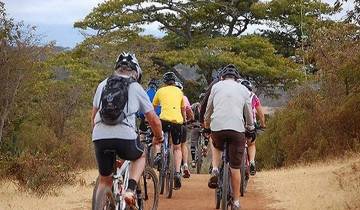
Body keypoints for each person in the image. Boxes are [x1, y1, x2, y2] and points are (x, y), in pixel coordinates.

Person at [91, 52, 163, 207]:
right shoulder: (136, 87)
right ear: (136, 71)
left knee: (104, 180)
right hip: (125, 136)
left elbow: (94, 116)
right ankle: (130, 190)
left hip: (99, 135)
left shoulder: (103, 84)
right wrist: (159, 137)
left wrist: (98, 138)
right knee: (140, 155)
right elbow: (153, 119)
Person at [204, 64, 255, 210]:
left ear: (222, 77)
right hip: (237, 129)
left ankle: (214, 169)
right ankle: (237, 202)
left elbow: (209, 108)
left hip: (217, 127)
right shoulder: (243, 89)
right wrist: (250, 128)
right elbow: (248, 112)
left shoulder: (216, 87)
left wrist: (207, 125)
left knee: (215, 144)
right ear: (237, 78)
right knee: (235, 167)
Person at [153, 72, 187, 189]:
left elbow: (153, 107)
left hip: (163, 120)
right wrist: (185, 120)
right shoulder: (180, 92)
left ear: (164, 82)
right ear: (174, 81)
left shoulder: (160, 91)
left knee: (157, 139)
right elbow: (183, 109)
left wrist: (151, 120)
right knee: (177, 147)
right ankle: (177, 172)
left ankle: (158, 154)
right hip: (177, 122)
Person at [240, 79, 266, 176]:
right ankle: (251, 162)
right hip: (251, 125)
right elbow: (261, 114)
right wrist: (263, 124)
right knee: (251, 144)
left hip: (238, 123)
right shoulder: (254, 97)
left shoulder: (237, 95)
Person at [175, 81, 194, 178]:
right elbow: (189, 111)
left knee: (173, 144)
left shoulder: (169, 96)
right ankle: (185, 164)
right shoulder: (184, 98)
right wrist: (190, 119)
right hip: (182, 123)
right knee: (183, 144)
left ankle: (172, 165)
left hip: (170, 123)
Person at [190, 93, 208, 168]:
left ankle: (193, 160)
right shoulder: (208, 106)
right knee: (207, 134)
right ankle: (205, 146)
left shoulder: (195, 105)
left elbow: (189, 111)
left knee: (193, 142)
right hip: (204, 126)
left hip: (195, 126)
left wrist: (189, 121)